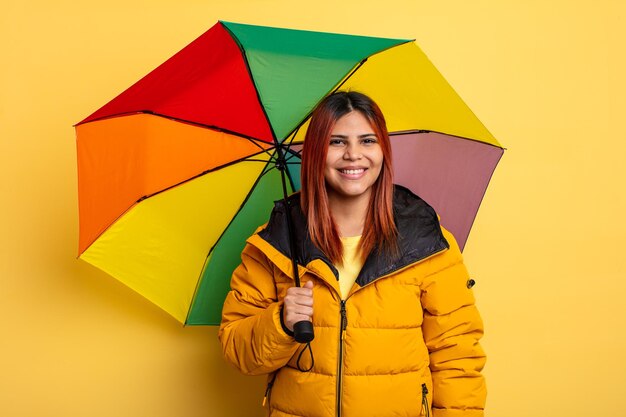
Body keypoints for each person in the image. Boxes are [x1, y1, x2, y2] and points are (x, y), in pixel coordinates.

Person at [219, 91, 486, 417]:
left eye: (368, 141)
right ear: (317, 151)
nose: (353, 155)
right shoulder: (275, 243)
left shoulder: (426, 241)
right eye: (337, 142)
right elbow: (238, 352)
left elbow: (457, 354)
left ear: (384, 151)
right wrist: (281, 322)